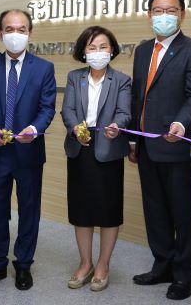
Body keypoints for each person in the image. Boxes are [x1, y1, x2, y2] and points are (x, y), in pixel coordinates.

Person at [128, 0, 191, 300]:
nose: (164, 16)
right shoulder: (142, 51)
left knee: (182, 213)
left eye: (171, 10)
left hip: (176, 144)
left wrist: (182, 122)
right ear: (149, 15)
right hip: (147, 145)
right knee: (155, 210)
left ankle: (184, 275)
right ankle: (162, 264)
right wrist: (133, 138)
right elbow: (139, 98)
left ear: (182, 15)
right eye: (158, 10)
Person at [0, 9, 56, 290]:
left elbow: (47, 108)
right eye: (9, 29)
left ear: (29, 33)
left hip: (28, 152)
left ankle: (23, 265)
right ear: (0, 34)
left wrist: (33, 129)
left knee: (29, 210)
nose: (15, 35)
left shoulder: (43, 68)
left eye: (21, 29)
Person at [60, 26, 131, 292]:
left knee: (108, 211)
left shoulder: (121, 80)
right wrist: (75, 129)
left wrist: (117, 126)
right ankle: (85, 263)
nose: (97, 52)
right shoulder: (74, 77)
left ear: (111, 50)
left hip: (108, 149)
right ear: (83, 51)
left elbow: (125, 112)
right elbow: (67, 110)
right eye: (92, 47)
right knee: (82, 210)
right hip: (80, 147)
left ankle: (103, 264)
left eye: (103, 47)